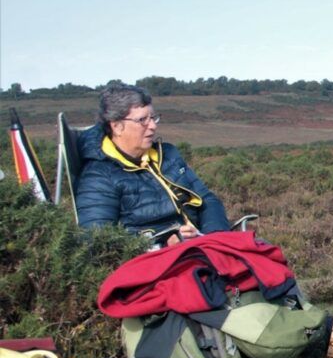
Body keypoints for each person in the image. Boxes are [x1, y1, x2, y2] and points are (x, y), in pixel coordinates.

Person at [76, 84, 229, 244]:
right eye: (142, 120)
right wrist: (163, 242)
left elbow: (208, 200)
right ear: (117, 126)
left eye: (153, 118)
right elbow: (97, 241)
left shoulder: (168, 155)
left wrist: (214, 237)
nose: (153, 126)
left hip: (201, 246)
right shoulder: (99, 177)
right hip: (161, 261)